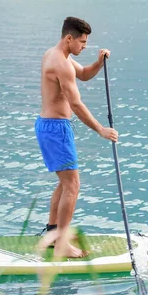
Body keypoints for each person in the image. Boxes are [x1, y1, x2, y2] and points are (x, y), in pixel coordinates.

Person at [35, 16, 118, 258]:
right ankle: (61, 244)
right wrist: (101, 129)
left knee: (64, 183)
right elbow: (77, 104)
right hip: (55, 129)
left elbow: (82, 74)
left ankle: (52, 234)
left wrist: (99, 62)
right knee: (73, 185)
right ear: (69, 38)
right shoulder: (60, 64)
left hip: (51, 127)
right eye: (82, 42)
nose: (84, 46)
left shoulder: (58, 55)